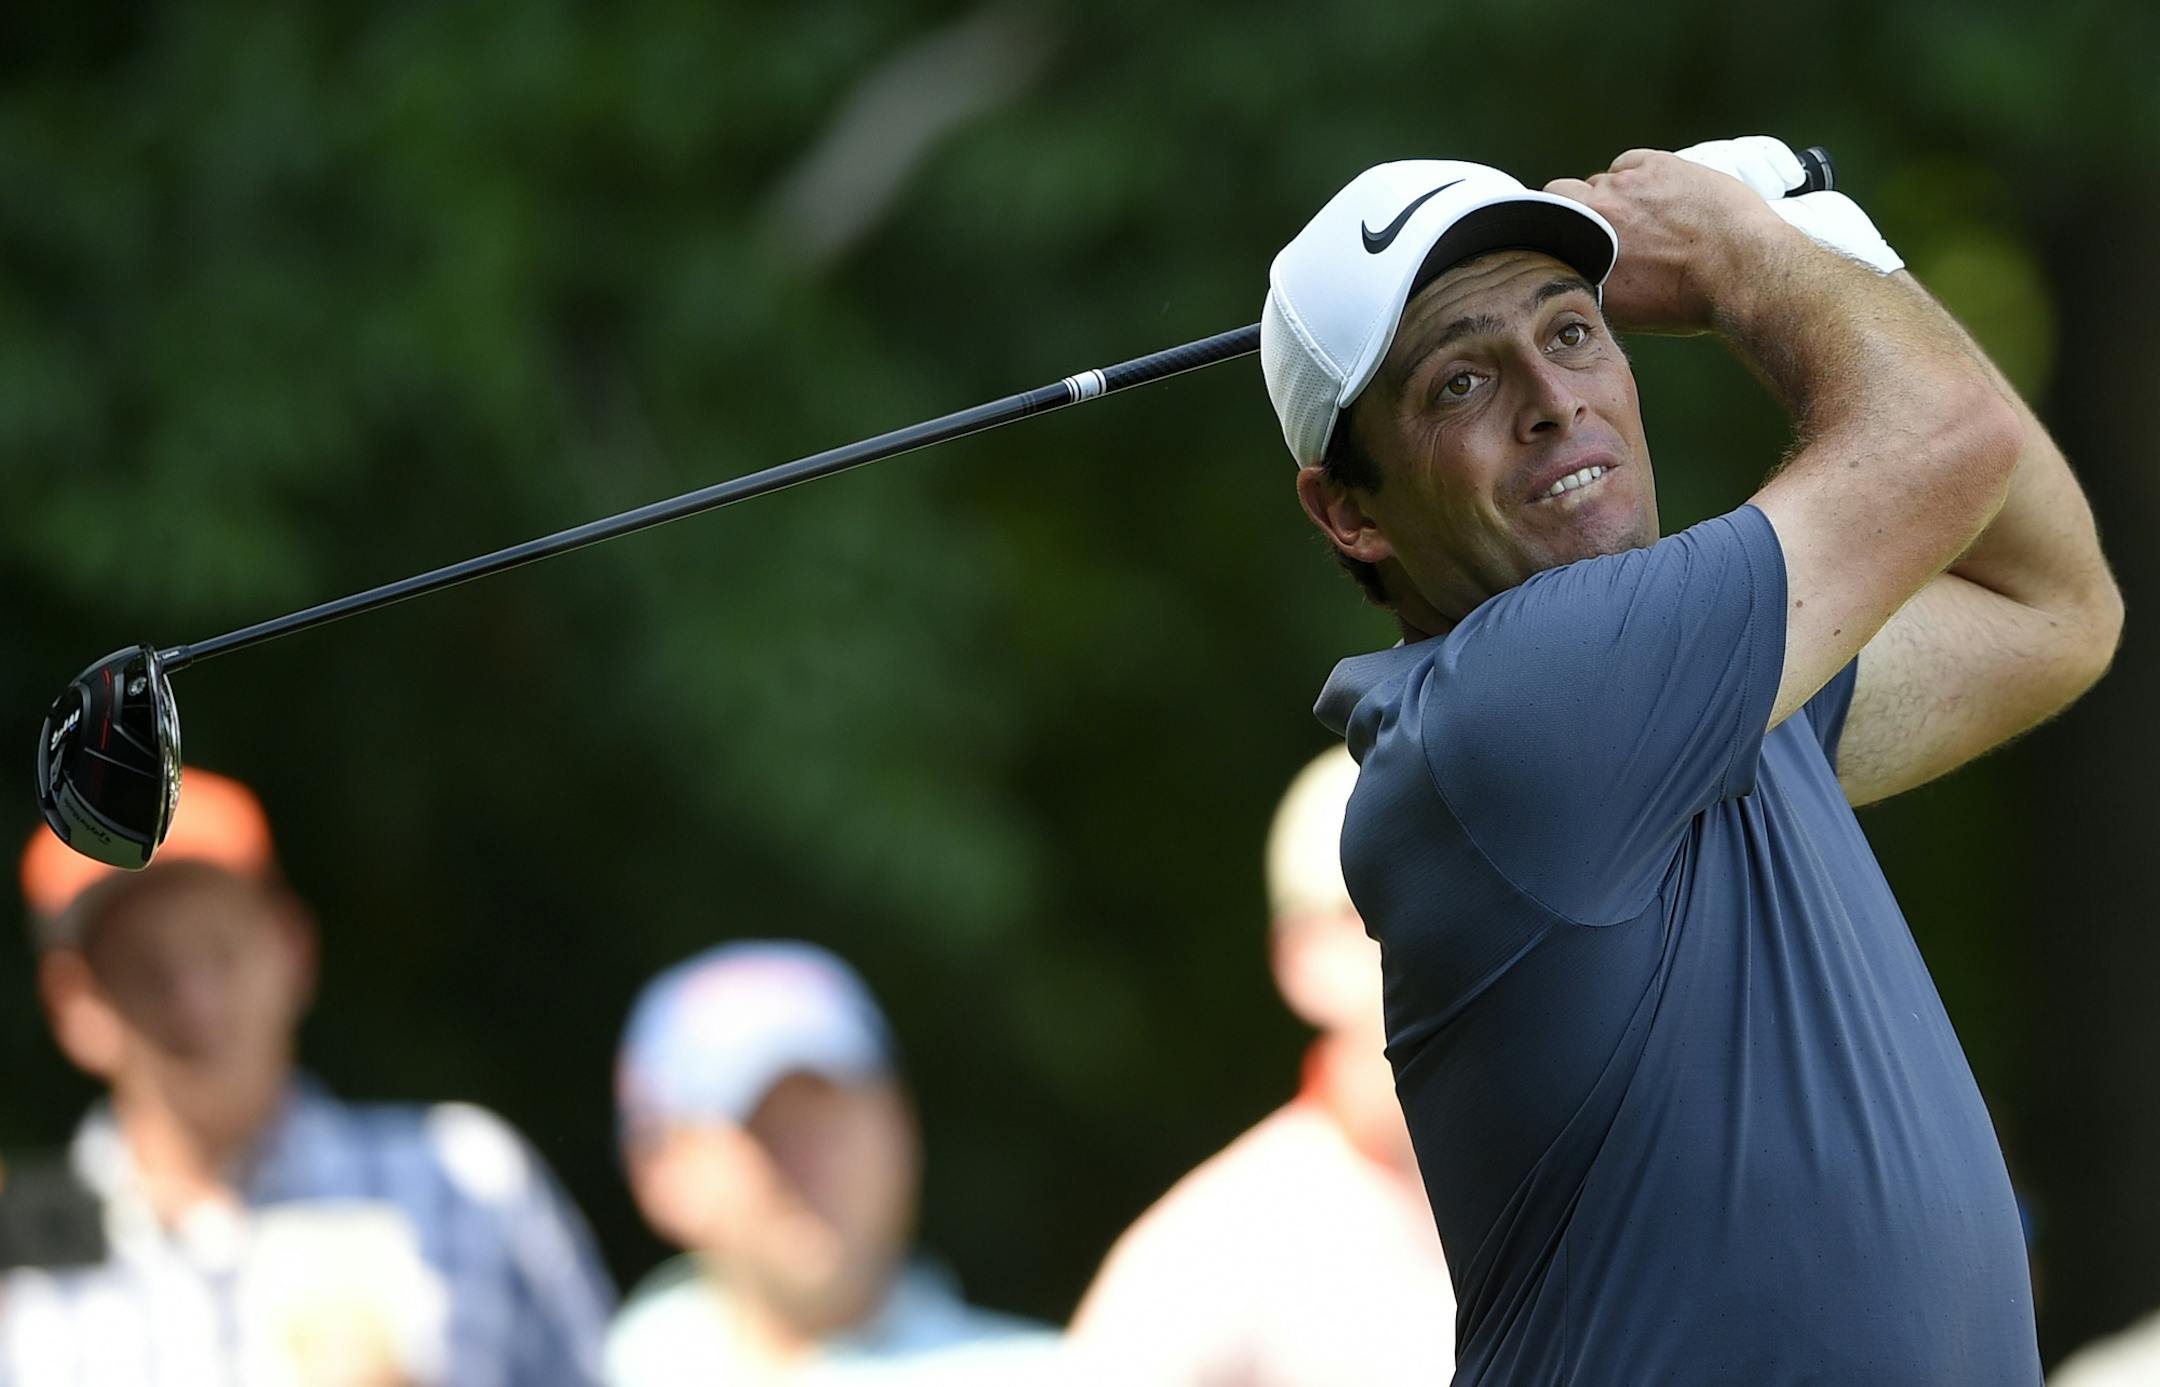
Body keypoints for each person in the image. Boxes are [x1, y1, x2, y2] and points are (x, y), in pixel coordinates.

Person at [1268, 136, 2121, 1383]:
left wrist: (1830, 240)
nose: (1553, 399)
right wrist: (1744, 253)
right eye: (1458, 383)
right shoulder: (1520, 708)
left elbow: (2054, 610)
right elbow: (1952, 439)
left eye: (1573, 332)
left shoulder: (1712, 701)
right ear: (1351, 510)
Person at [4, 767, 615, 1387]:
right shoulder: (18, 1251)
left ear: (292, 950)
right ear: (75, 1006)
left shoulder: (463, 1177)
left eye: (222, 951)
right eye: (147, 969)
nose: (196, 1004)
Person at [1068, 744, 1455, 1382]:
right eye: (1380, 905)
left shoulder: (1605, 1184)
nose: (1438, 934)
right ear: (1302, 958)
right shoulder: (1212, 1254)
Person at [606, 940, 1055, 1386]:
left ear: (902, 1126)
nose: (808, 1160)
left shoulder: (1058, 1371)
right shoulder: (585, 1369)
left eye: (831, 1116)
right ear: (658, 1170)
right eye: (765, 1131)